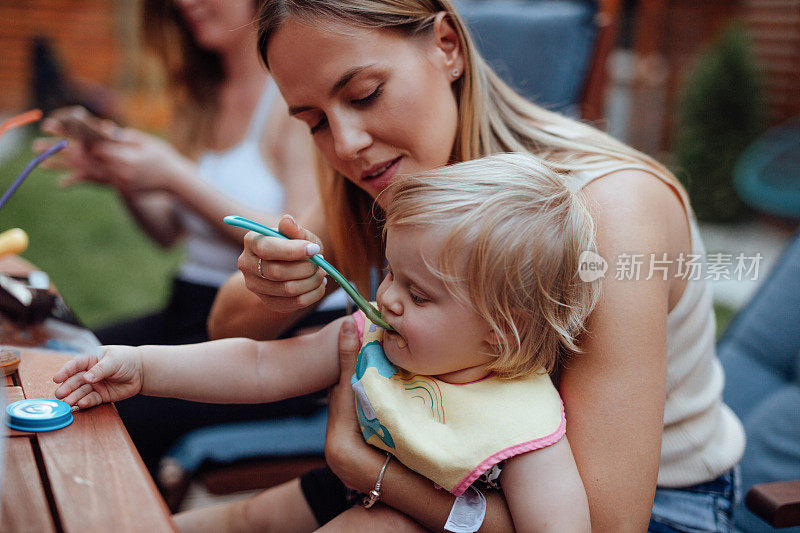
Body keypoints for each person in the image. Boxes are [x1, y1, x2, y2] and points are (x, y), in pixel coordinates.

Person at [201, 0, 746, 531]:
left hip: (651, 506)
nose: (346, 144)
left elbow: (606, 522)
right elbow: (224, 327)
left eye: (365, 95)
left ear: (447, 47)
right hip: (452, 466)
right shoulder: (381, 177)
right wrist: (272, 282)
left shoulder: (610, 211)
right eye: (315, 121)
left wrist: (366, 469)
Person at [53, 153, 598, 532]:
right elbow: (263, 364)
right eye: (390, 275)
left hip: (412, 518)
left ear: (504, 331)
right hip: (353, 488)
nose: (388, 299)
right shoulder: (377, 338)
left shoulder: (523, 426)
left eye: (420, 295)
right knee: (249, 518)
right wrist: (146, 369)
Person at [35, 0, 346, 478]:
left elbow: (301, 235)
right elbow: (166, 231)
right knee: (50, 362)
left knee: (99, 411)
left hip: (267, 326)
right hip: (186, 307)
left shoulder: (293, 97)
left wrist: (175, 175)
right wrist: (123, 177)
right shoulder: (202, 94)